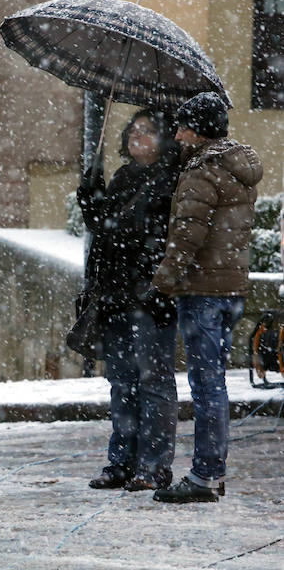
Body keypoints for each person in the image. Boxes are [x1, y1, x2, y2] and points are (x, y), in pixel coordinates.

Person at [149, 92, 263, 504]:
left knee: (206, 385)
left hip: (202, 291)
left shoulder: (202, 171)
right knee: (214, 383)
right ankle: (211, 472)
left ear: (197, 130)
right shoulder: (238, 168)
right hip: (231, 288)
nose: (177, 135)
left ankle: (205, 475)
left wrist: (163, 282)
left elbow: (188, 236)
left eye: (182, 127)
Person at [78, 109, 182, 492]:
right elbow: (105, 232)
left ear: (165, 139)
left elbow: (154, 240)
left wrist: (153, 286)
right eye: (134, 130)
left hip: (150, 299)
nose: (138, 136)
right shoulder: (124, 178)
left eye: (149, 130)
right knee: (122, 382)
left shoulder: (170, 183)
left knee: (153, 382)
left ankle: (153, 465)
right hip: (116, 297)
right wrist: (91, 198)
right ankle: (121, 461)